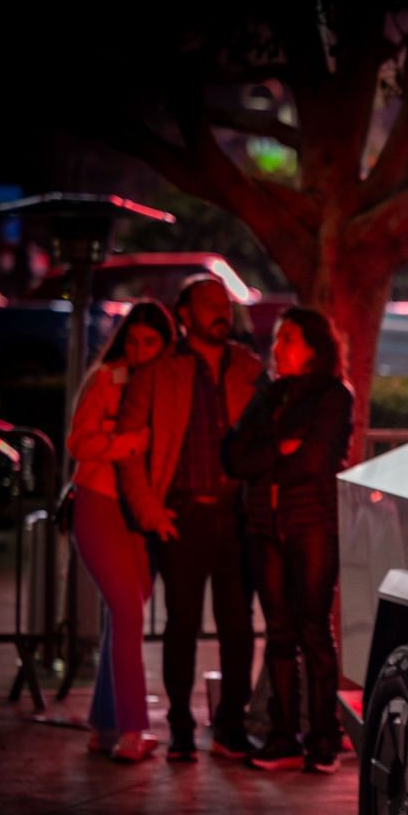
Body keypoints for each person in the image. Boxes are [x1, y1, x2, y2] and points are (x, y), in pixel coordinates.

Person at [115, 276, 264, 762]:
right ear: (185, 313)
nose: (220, 311)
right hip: (182, 516)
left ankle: (231, 725)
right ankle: (181, 723)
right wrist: (150, 512)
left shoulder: (247, 367)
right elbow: (129, 451)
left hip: (236, 516)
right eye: (209, 304)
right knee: (181, 624)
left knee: (238, 627)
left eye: (224, 303)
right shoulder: (158, 373)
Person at [223, 307, 354, 772]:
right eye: (277, 340)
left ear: (314, 349)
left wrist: (269, 454)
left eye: (288, 339)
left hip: (312, 524)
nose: (277, 349)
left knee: (313, 629)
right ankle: (284, 736)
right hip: (265, 525)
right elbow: (234, 456)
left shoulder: (334, 395)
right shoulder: (269, 396)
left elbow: (313, 460)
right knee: (279, 632)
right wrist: (279, 448)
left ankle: (324, 737)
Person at [67, 300, 170, 762]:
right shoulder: (107, 379)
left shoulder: (161, 385)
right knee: (127, 612)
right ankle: (130, 728)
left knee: (129, 607)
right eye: (134, 340)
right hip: (98, 501)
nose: (140, 349)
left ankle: (105, 724)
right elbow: (77, 442)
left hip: (132, 511)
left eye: (150, 341)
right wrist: (130, 442)